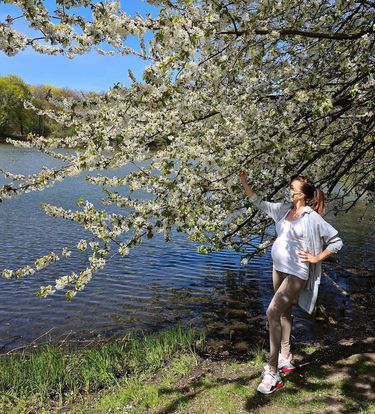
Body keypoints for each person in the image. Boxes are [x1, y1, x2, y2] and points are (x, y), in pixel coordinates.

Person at [239, 171, 343, 394]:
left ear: (301, 195)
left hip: (297, 272)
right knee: (284, 313)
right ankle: (287, 356)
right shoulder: (283, 210)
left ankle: (273, 371)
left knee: (272, 312)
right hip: (278, 268)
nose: (289, 191)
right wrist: (244, 181)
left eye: (292, 189)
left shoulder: (311, 217)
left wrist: (317, 257)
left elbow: (336, 242)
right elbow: (257, 202)